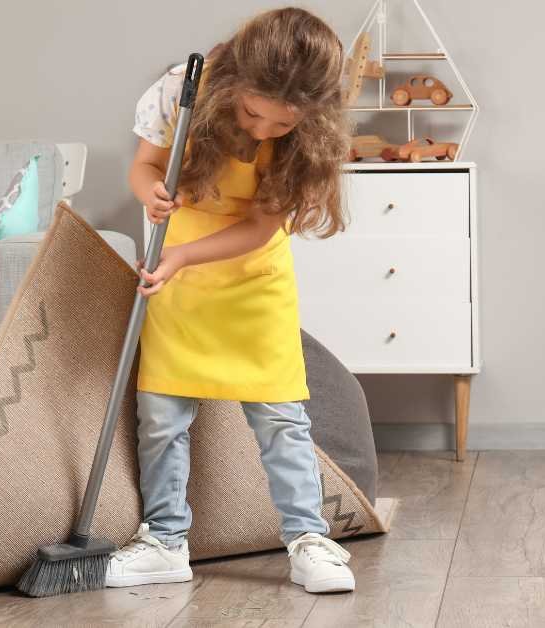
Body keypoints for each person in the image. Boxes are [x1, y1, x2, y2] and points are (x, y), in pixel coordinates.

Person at [106, 8, 354, 594]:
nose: (263, 132)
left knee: (280, 419)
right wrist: (153, 195)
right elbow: (141, 167)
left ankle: (308, 540)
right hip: (176, 279)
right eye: (251, 115)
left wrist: (184, 257)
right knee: (162, 418)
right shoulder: (179, 90)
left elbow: (260, 230)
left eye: (281, 125)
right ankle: (165, 540)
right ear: (233, 82)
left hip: (252, 282)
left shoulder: (307, 138)